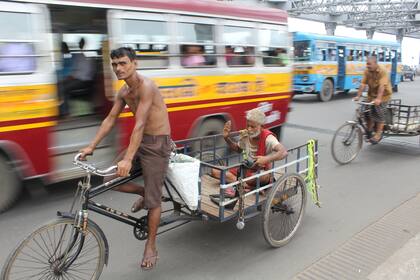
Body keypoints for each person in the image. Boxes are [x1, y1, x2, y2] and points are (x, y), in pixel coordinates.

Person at [79, 47, 171, 270]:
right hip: (140, 142)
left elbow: (139, 124)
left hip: (157, 143)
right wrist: (91, 145)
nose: (118, 68)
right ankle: (143, 192)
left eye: (122, 63)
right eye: (114, 65)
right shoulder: (124, 92)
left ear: (134, 63)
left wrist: (128, 159)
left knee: (154, 202)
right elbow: (110, 120)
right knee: (109, 178)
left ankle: (151, 245)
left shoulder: (146, 87)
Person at [210, 108, 288, 197]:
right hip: (245, 170)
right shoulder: (246, 135)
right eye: (248, 125)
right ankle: (245, 186)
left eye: (253, 127)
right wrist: (226, 138)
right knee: (215, 171)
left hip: (260, 173)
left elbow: (284, 152)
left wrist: (266, 159)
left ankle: (241, 184)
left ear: (261, 126)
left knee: (259, 177)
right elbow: (238, 149)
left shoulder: (268, 138)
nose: (249, 129)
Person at [353, 55, 393, 143]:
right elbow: (363, 84)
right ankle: (369, 131)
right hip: (371, 95)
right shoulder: (367, 71)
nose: (367, 66)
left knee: (379, 113)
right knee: (367, 113)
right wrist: (358, 96)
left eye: (369, 64)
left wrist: (378, 99)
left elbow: (382, 86)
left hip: (383, 95)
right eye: (367, 64)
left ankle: (378, 134)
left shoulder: (383, 71)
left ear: (375, 63)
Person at [61, 37, 95, 116]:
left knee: (63, 88)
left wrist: (67, 78)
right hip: (85, 80)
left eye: (80, 43)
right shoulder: (80, 55)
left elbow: (76, 72)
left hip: (83, 81)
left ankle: (65, 112)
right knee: (64, 85)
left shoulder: (79, 56)